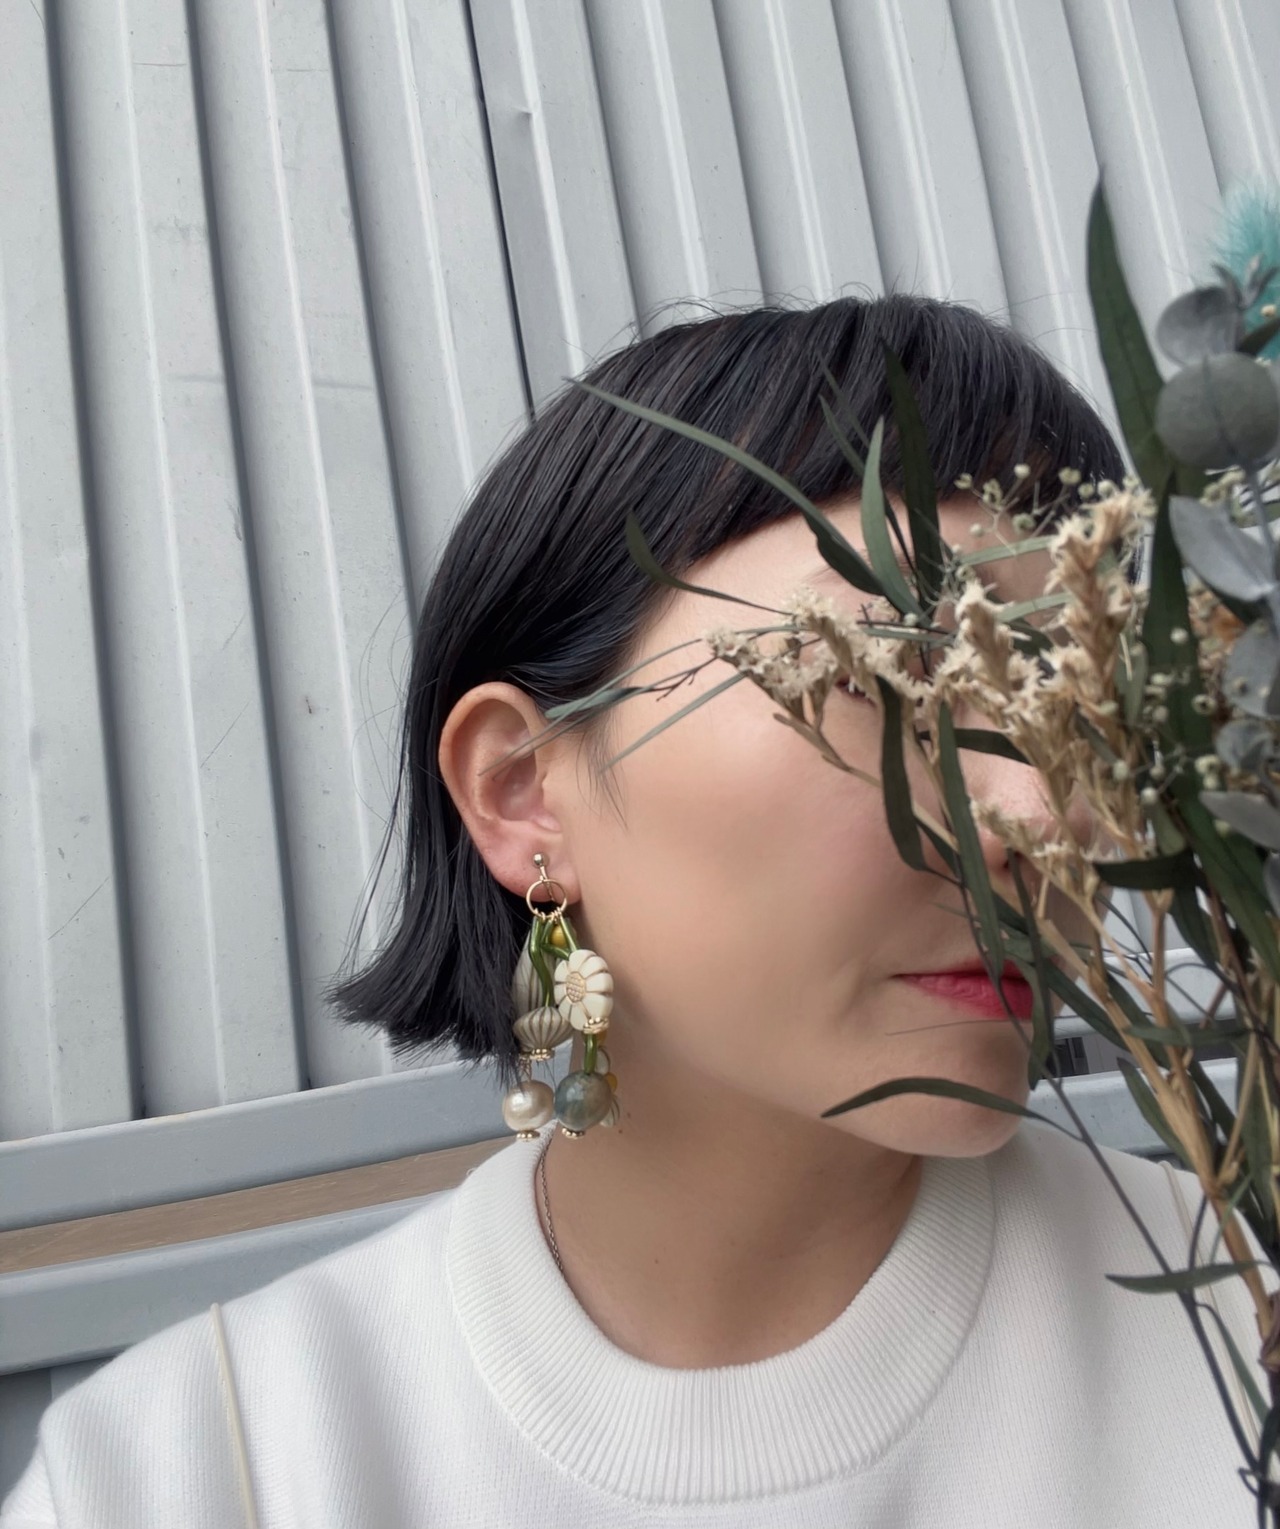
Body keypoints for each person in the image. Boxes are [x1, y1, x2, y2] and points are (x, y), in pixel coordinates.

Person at [1, 295, 1267, 1528]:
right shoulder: (190, 1470)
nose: (1048, 815)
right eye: (893, 676)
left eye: (1079, 707)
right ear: (519, 789)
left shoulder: (1239, 1313)